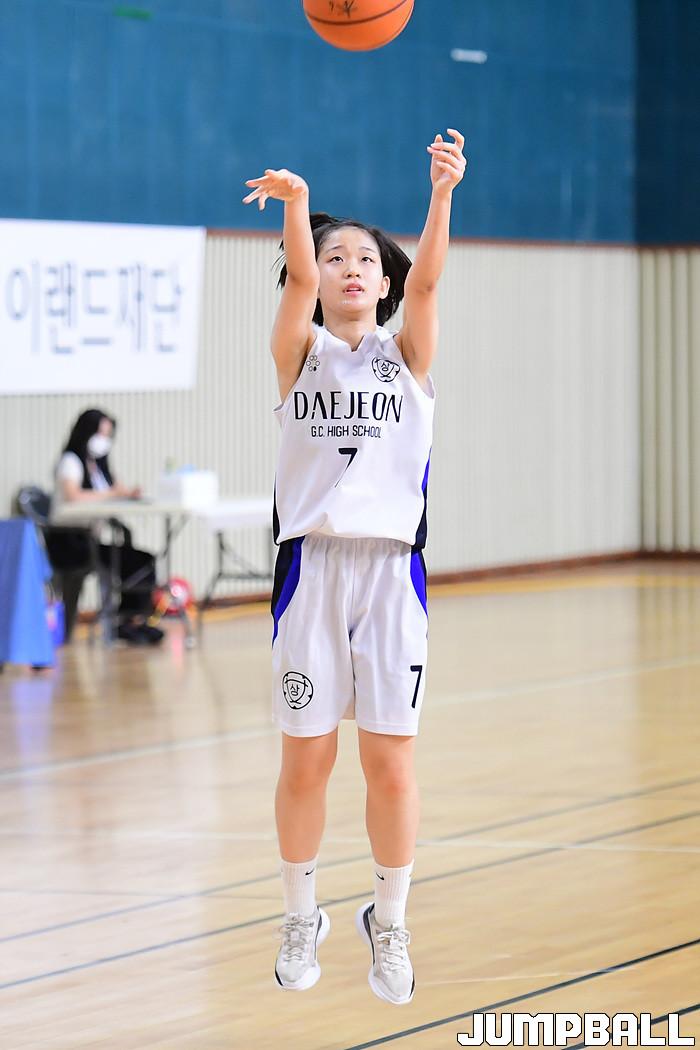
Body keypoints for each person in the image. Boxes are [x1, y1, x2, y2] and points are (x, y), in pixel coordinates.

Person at [243, 129, 466, 1004]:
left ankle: (391, 921)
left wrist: (442, 194)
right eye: (334, 257)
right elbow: (297, 283)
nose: (346, 269)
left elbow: (432, 282)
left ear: (383, 283)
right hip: (311, 570)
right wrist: (300, 207)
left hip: (390, 575)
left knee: (392, 763)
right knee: (306, 761)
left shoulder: (406, 358)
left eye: (364, 260)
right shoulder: (301, 354)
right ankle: (301, 915)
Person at [50, 408, 164, 646]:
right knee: (132, 561)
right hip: (68, 542)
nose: (104, 440)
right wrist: (112, 494)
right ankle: (125, 621)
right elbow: (73, 496)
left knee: (143, 560)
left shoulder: (98, 466)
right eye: (100, 434)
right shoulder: (70, 462)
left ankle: (132, 620)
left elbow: (114, 490)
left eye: (108, 435)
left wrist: (126, 493)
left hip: (89, 540)